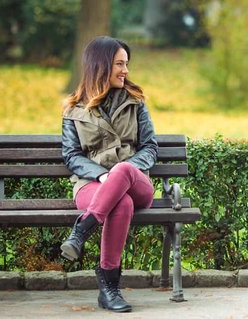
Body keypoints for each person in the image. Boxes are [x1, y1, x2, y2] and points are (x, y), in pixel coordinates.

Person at [60, 36, 158, 313]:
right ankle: (109, 289)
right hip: (92, 185)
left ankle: (82, 229)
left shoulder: (135, 102)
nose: (125, 70)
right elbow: (72, 156)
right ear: (100, 66)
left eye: (126, 64)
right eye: (119, 64)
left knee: (124, 169)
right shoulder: (73, 110)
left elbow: (150, 147)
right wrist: (102, 176)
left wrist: (121, 171)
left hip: (136, 181)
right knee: (121, 203)